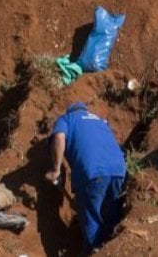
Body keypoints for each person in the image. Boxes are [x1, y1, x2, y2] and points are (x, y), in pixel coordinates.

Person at [46, 102, 126, 253]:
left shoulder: (67, 119)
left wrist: (56, 170)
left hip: (93, 173)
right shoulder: (100, 121)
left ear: (70, 111)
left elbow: (59, 136)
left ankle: (92, 250)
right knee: (111, 217)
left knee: (92, 224)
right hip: (118, 170)